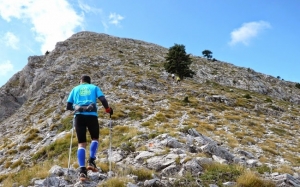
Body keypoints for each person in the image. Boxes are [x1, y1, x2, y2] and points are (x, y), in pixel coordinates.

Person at [66, 75, 113, 181]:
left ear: (80, 81)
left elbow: (68, 106)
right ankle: (91, 161)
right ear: (89, 82)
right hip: (92, 116)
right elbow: (103, 99)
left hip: (79, 117)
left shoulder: (75, 89)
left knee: (81, 143)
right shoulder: (94, 87)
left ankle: (82, 171)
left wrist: (77, 107)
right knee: (95, 138)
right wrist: (108, 109)